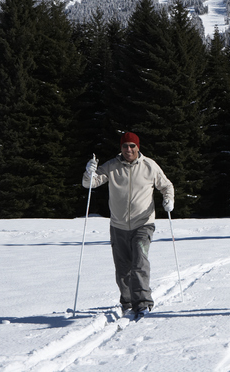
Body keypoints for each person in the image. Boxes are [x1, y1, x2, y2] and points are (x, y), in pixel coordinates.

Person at [82, 132, 174, 319]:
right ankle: (127, 301)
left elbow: (166, 186)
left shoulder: (149, 166)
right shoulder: (112, 166)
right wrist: (89, 172)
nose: (128, 149)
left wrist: (169, 200)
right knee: (123, 267)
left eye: (132, 146)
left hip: (143, 223)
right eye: (125, 146)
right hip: (118, 225)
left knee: (139, 261)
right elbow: (89, 184)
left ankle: (142, 303)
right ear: (121, 148)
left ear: (138, 147)